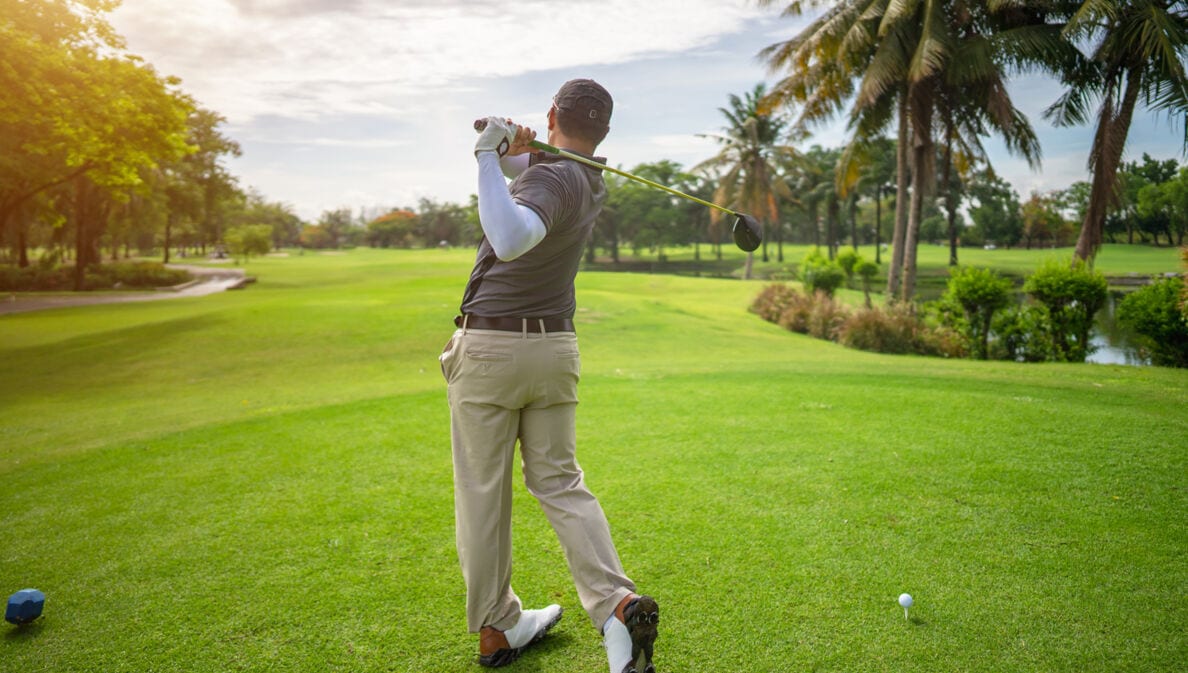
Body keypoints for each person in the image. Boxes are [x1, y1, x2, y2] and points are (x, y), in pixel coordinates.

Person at [439, 79, 659, 673]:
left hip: (491, 351)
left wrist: (489, 155)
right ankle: (617, 608)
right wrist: (509, 145)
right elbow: (528, 173)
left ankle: (497, 625)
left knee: (484, 494)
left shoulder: (549, 178)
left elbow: (509, 236)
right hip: (554, 348)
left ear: (553, 112)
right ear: (604, 132)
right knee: (560, 482)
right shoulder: (584, 177)